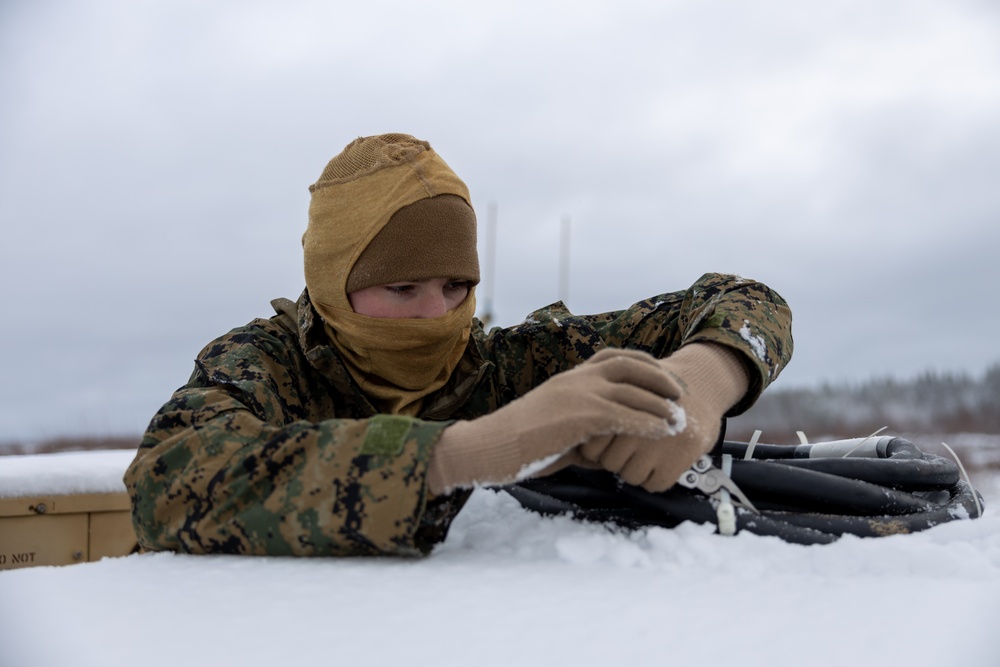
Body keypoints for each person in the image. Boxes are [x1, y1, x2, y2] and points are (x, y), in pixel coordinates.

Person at [124, 133, 793, 557]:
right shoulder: (266, 364)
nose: (436, 313)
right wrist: (463, 453)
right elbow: (168, 480)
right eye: (403, 286)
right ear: (331, 284)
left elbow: (748, 301)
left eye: (457, 285)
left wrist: (703, 381)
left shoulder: (503, 366)